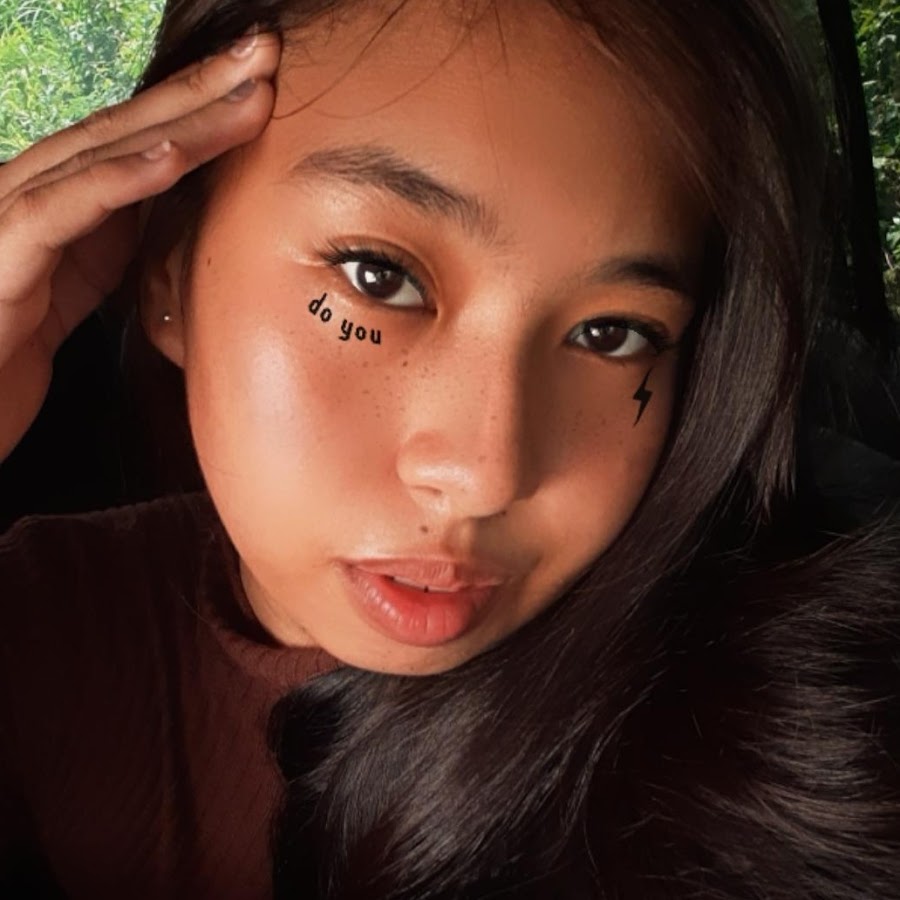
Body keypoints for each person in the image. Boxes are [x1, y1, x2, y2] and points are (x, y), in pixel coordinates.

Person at [1, 0, 898, 897]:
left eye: (613, 334)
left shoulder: (768, 723)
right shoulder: (42, 621)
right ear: (170, 270)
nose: (484, 476)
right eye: (377, 277)